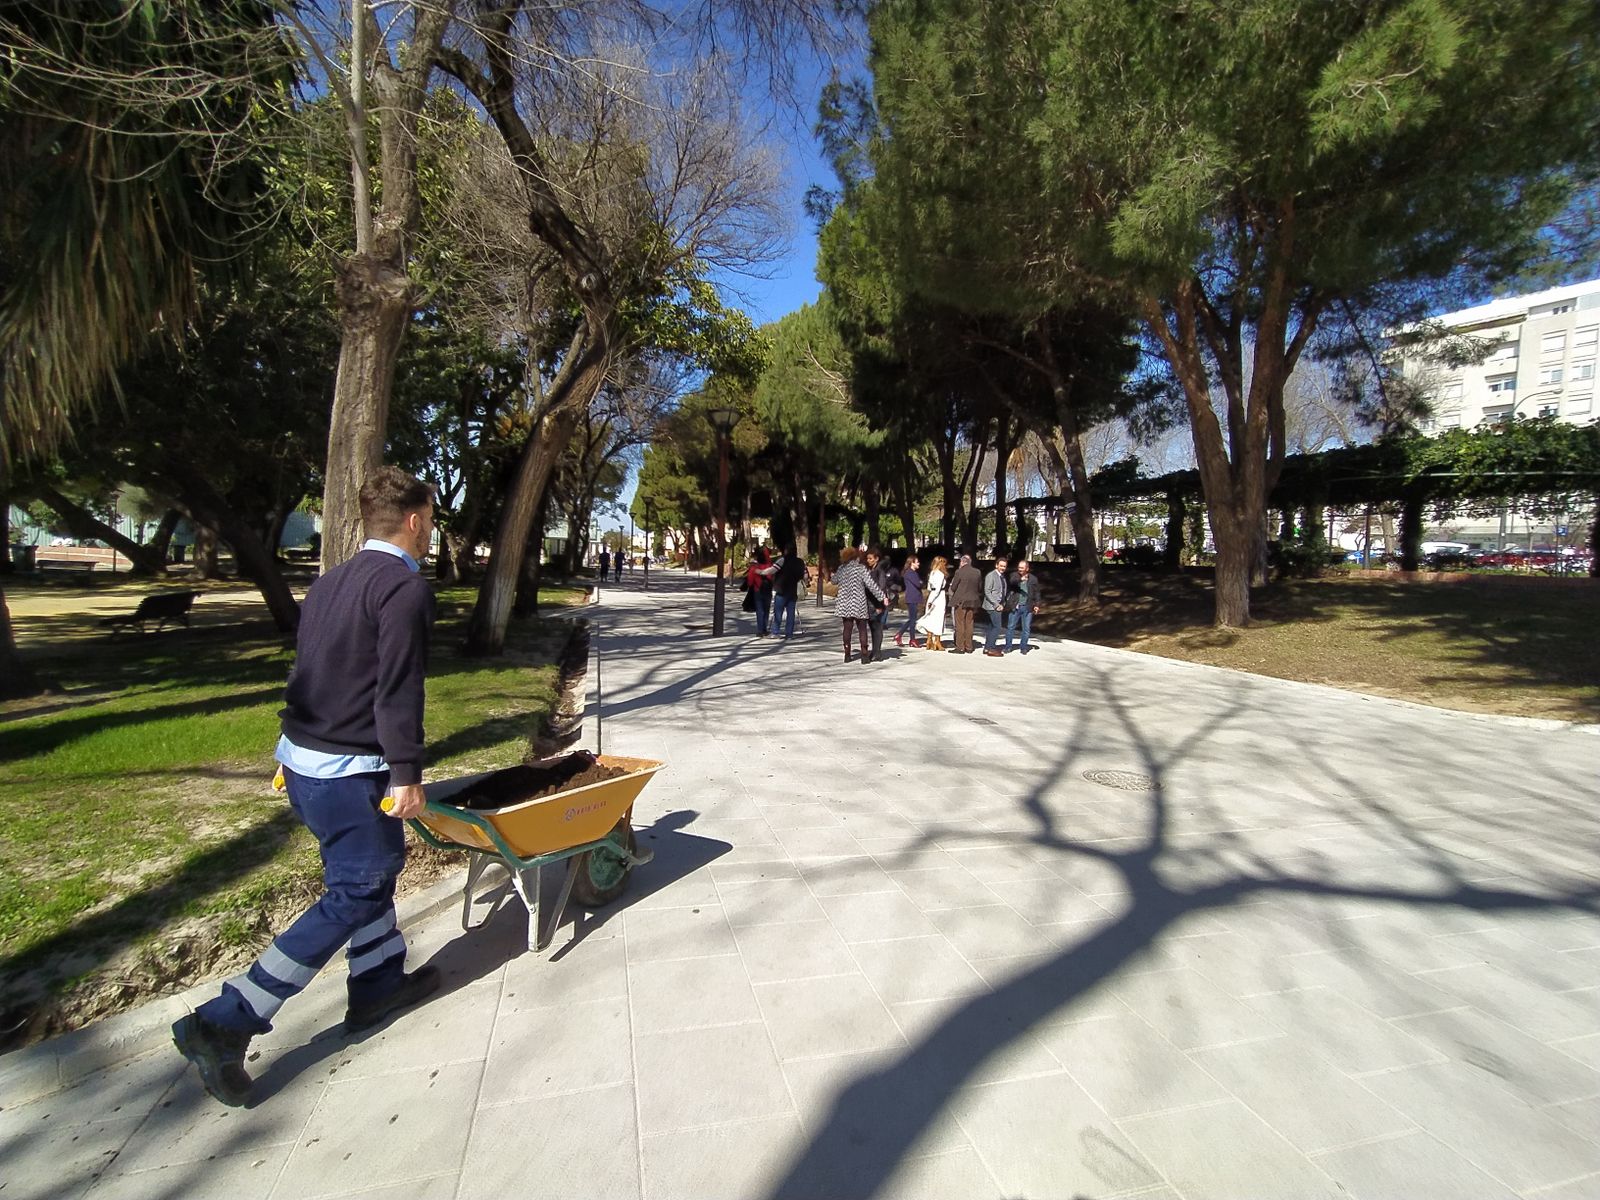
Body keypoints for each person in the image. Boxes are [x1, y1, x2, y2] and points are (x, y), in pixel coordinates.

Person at [172, 467, 441, 1107]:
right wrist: (407, 772)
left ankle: (378, 984)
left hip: (302, 764)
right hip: (350, 772)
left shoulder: (330, 583)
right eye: (430, 518)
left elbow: (313, 671)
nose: (431, 530)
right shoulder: (403, 590)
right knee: (362, 881)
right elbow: (397, 689)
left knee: (365, 873)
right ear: (414, 519)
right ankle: (227, 1020)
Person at [832, 547, 885, 663]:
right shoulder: (860, 569)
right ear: (856, 557)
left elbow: (833, 581)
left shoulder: (842, 568)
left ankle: (847, 654)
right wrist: (882, 597)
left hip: (844, 602)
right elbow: (871, 585)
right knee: (862, 629)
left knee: (847, 628)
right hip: (859, 602)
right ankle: (864, 655)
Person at [771, 544, 809, 640]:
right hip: (792, 590)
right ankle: (789, 634)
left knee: (778, 612)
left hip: (781, 589)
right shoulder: (800, 562)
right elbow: (804, 576)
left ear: (786, 551)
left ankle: (776, 632)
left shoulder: (782, 560)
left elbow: (773, 571)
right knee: (791, 613)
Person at [1006, 558, 1043, 654]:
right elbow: (1012, 582)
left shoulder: (1033, 579)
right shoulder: (1014, 575)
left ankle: (1023, 647)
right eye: (1019, 567)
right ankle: (1008, 647)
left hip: (1027, 606)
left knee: (1026, 629)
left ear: (1027, 568)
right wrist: (1020, 579)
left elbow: (1037, 593)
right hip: (1016, 606)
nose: (1020, 569)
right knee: (1011, 627)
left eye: (1022, 568)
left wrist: (1037, 604)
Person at [948, 553, 983, 654]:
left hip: (961, 601)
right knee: (969, 623)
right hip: (973, 601)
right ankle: (969, 646)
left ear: (962, 562)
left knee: (960, 624)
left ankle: (960, 647)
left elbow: (953, 587)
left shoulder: (959, 572)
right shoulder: (977, 572)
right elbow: (980, 587)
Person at [864, 546, 892, 661]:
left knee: (878, 628)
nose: (868, 561)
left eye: (871, 558)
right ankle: (875, 651)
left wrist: (880, 605)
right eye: (867, 558)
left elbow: (881, 588)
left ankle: (877, 652)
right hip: (869, 603)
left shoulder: (879, 571)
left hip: (877, 604)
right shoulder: (870, 570)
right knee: (872, 628)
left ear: (876, 559)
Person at [915, 555, 948, 651]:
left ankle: (929, 639)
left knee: (930, 617)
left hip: (931, 595)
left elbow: (929, 587)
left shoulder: (932, 573)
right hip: (939, 597)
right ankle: (937, 640)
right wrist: (933, 600)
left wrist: (930, 599)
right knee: (939, 618)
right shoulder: (940, 574)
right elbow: (938, 589)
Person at [744, 547, 776, 636]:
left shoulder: (755, 566)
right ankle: (764, 629)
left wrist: (751, 585)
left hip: (757, 590)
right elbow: (773, 577)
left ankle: (760, 630)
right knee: (766, 610)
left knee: (759, 610)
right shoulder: (770, 565)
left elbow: (750, 580)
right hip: (768, 590)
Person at [982, 556, 1010, 656]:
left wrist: (1003, 603)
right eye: (1001, 566)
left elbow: (1002, 591)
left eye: (1004, 566)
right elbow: (987, 591)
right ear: (996, 565)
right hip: (992, 606)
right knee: (997, 627)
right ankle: (991, 648)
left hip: (999, 605)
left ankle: (987, 647)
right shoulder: (991, 575)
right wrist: (996, 604)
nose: (1002, 568)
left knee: (991, 627)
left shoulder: (1002, 576)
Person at [896, 555, 923, 648]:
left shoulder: (912, 573)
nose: (918, 563)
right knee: (913, 620)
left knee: (912, 619)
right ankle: (912, 639)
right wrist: (920, 582)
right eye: (917, 562)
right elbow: (918, 584)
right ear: (912, 563)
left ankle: (899, 634)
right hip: (912, 597)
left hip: (913, 597)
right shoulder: (910, 573)